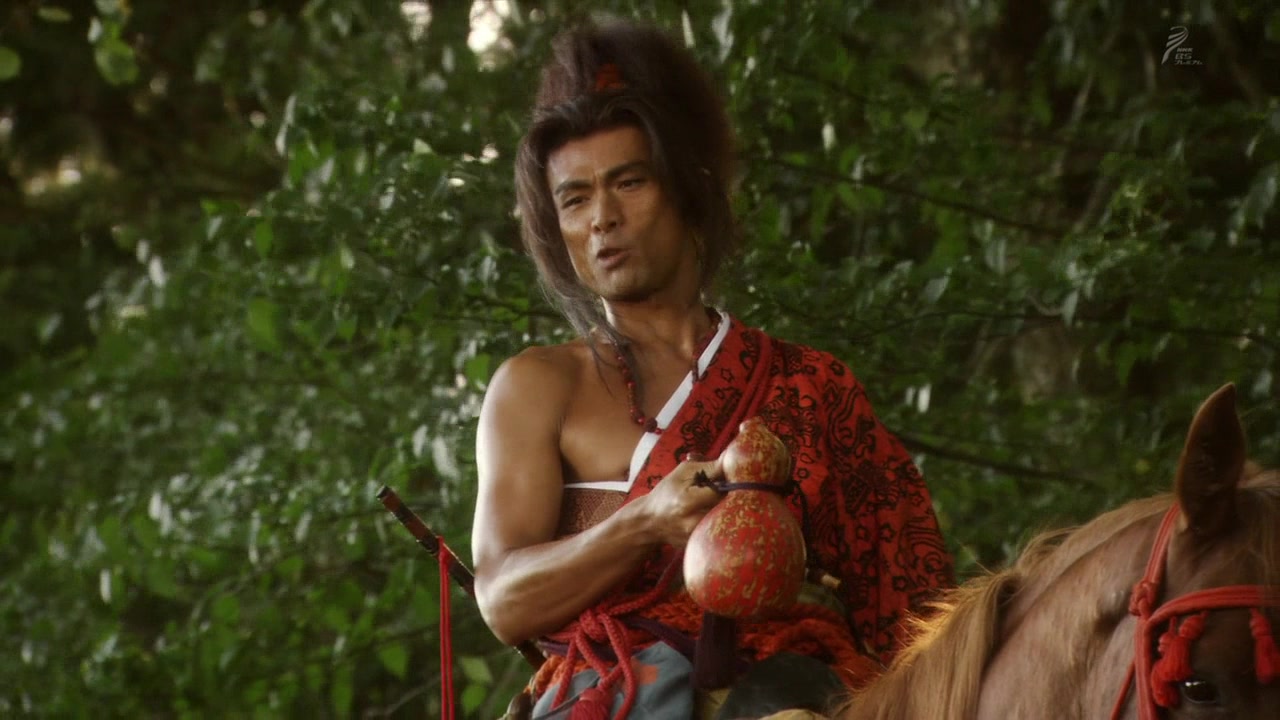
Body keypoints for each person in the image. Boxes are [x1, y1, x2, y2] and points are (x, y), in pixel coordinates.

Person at [471, 18, 954, 720]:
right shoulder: (539, 386)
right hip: (616, 699)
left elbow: (914, 613)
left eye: (628, 182)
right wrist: (645, 521)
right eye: (574, 198)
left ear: (687, 190)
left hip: (798, 694)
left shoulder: (814, 386)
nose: (601, 218)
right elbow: (503, 601)